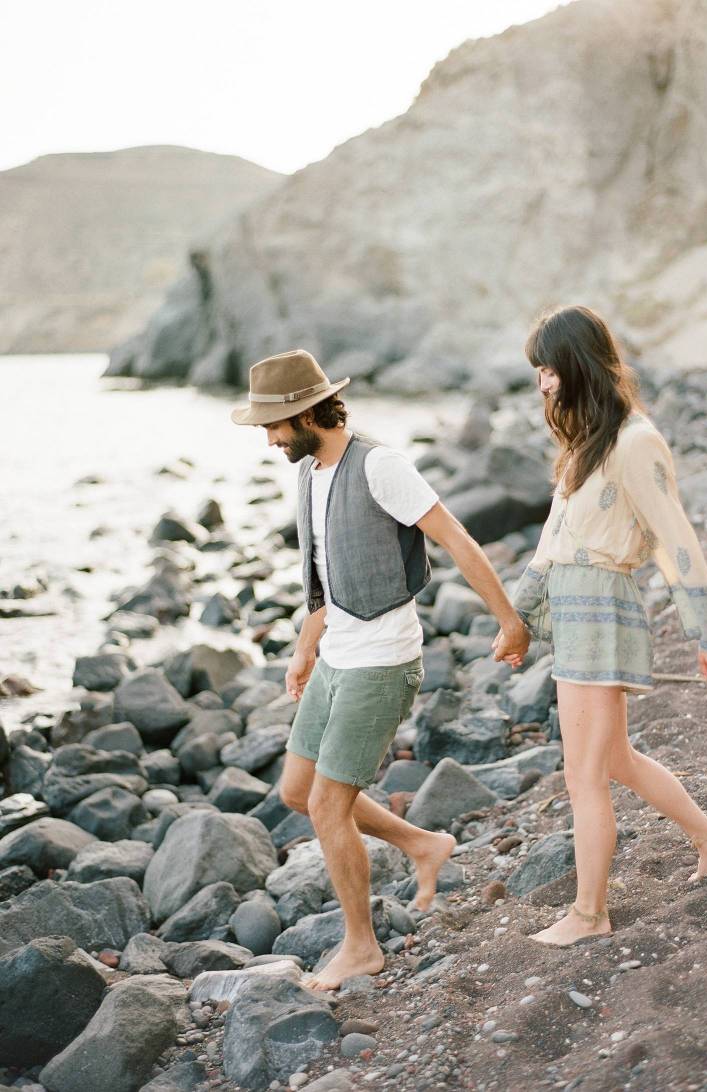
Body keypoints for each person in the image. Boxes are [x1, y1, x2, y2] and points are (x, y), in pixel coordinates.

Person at [232, 348, 530, 988]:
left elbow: (457, 539)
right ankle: (425, 845)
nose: (269, 439)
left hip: (382, 663)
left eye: (272, 425)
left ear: (306, 414)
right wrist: (305, 648)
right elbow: (326, 579)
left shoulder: (381, 466)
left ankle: (361, 946)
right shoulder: (311, 473)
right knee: (295, 791)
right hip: (336, 655)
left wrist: (508, 620)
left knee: (325, 807)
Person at [494, 306, 707, 947]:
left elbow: (674, 536)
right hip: (577, 611)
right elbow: (552, 542)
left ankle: (589, 913)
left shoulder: (635, 441)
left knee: (584, 773)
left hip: (603, 611)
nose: (542, 384)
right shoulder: (586, 444)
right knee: (613, 759)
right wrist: (518, 618)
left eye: (548, 370)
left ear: (576, 366)